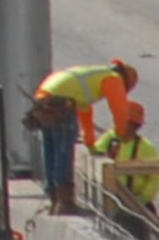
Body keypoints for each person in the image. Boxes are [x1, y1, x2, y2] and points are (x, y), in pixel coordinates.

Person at [27, 59, 137, 213]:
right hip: (61, 104)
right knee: (63, 151)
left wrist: (90, 142)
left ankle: (53, 198)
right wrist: (119, 134)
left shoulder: (92, 77)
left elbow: (85, 112)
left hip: (44, 98)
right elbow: (120, 109)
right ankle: (64, 202)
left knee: (51, 148)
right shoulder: (113, 78)